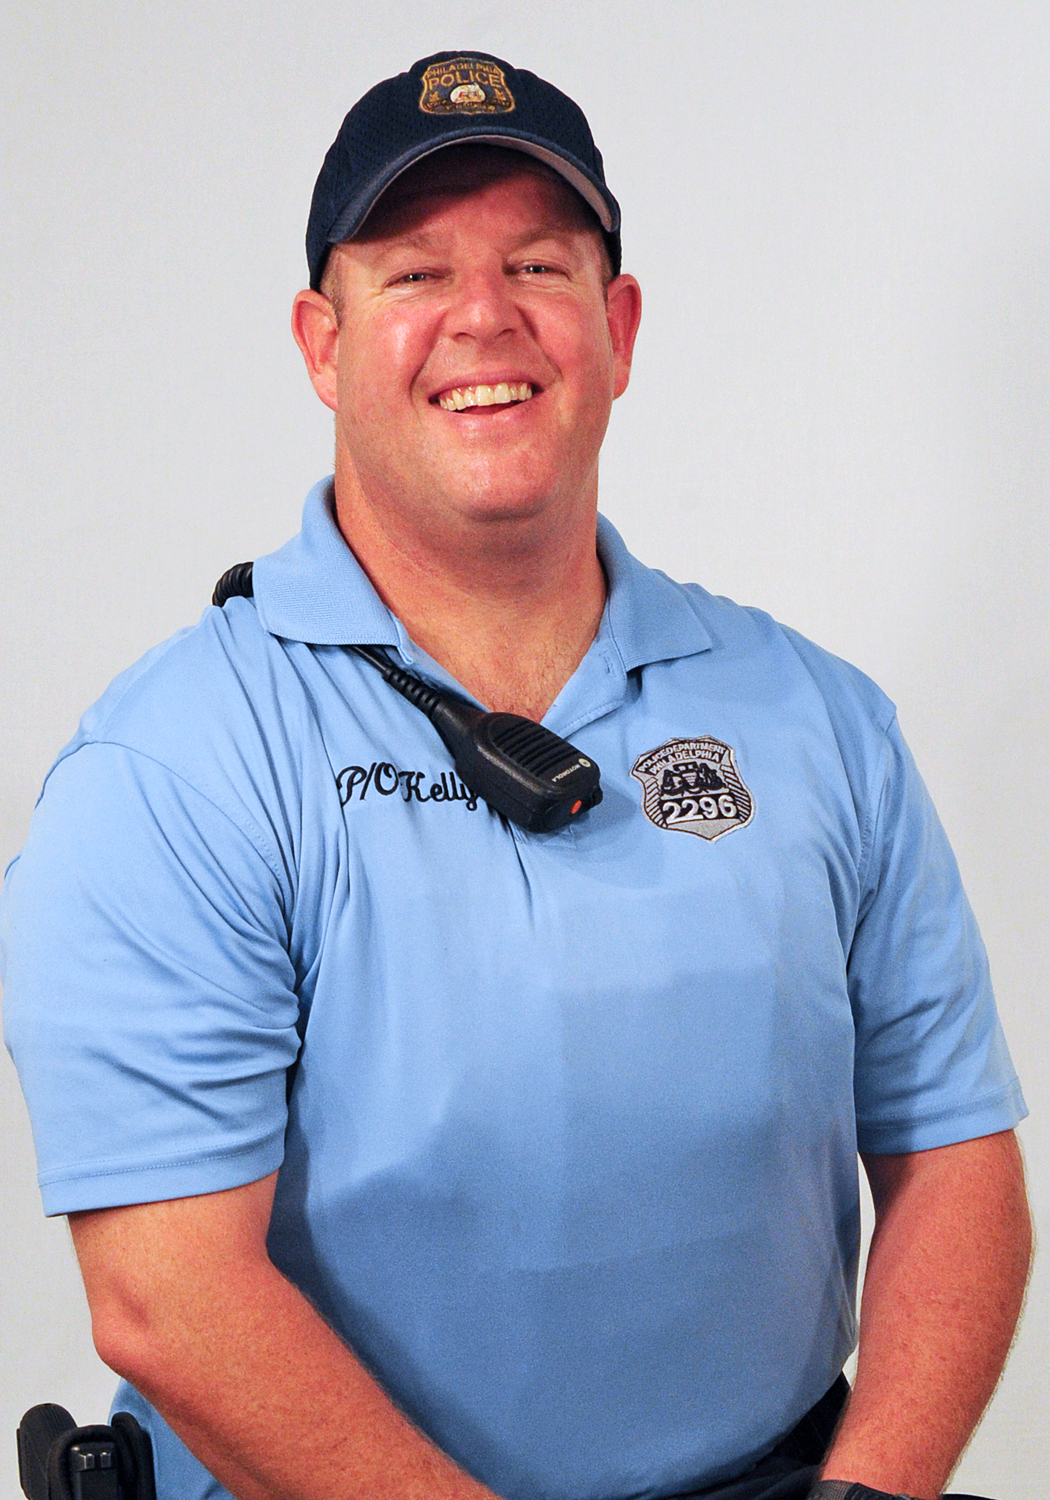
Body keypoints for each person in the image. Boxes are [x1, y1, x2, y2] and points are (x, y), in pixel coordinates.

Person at [1, 50, 1032, 1500]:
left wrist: (866, 1493)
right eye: (415, 274)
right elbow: (170, 1298)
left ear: (618, 327)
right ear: (321, 344)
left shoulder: (819, 721)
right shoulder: (175, 764)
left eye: (538, 265)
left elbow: (953, 1157)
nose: (483, 315)